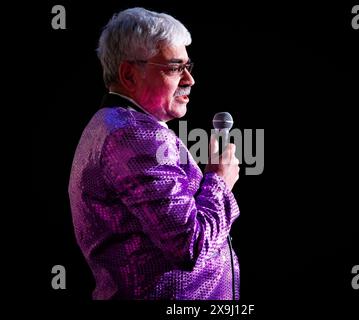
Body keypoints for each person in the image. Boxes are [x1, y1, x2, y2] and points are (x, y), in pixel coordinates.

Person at [68, 7, 240, 300]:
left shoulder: (115, 124)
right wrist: (219, 182)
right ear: (129, 75)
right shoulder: (134, 135)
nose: (189, 80)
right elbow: (189, 246)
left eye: (188, 67)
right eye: (174, 68)